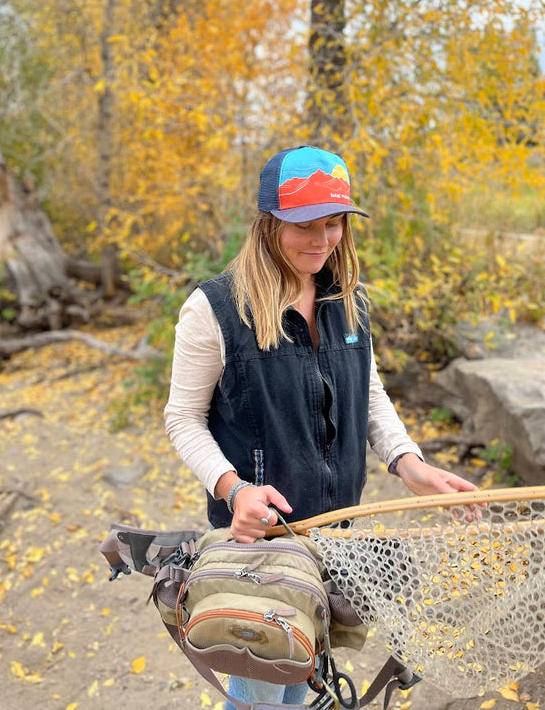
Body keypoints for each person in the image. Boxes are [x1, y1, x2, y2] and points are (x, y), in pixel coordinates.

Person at [164, 145, 478, 709]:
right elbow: (182, 419)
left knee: (305, 685)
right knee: (261, 692)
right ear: (268, 224)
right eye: (304, 225)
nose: (322, 239)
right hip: (261, 547)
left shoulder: (347, 298)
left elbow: (369, 392)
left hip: (336, 538)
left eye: (333, 223)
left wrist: (412, 465)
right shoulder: (212, 309)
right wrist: (233, 489)